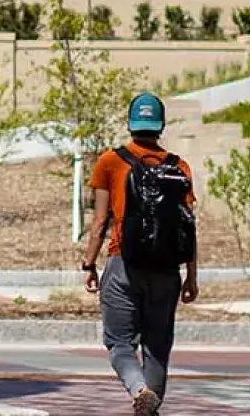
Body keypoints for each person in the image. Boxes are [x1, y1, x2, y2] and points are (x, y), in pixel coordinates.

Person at [80, 91, 199, 416]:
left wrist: (89, 264)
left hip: (124, 264)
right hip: (166, 270)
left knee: (120, 344)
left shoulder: (111, 161)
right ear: (160, 125)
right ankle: (150, 406)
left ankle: (139, 389)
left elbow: (100, 221)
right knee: (157, 348)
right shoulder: (180, 167)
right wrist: (191, 276)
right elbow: (187, 226)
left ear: (130, 123)